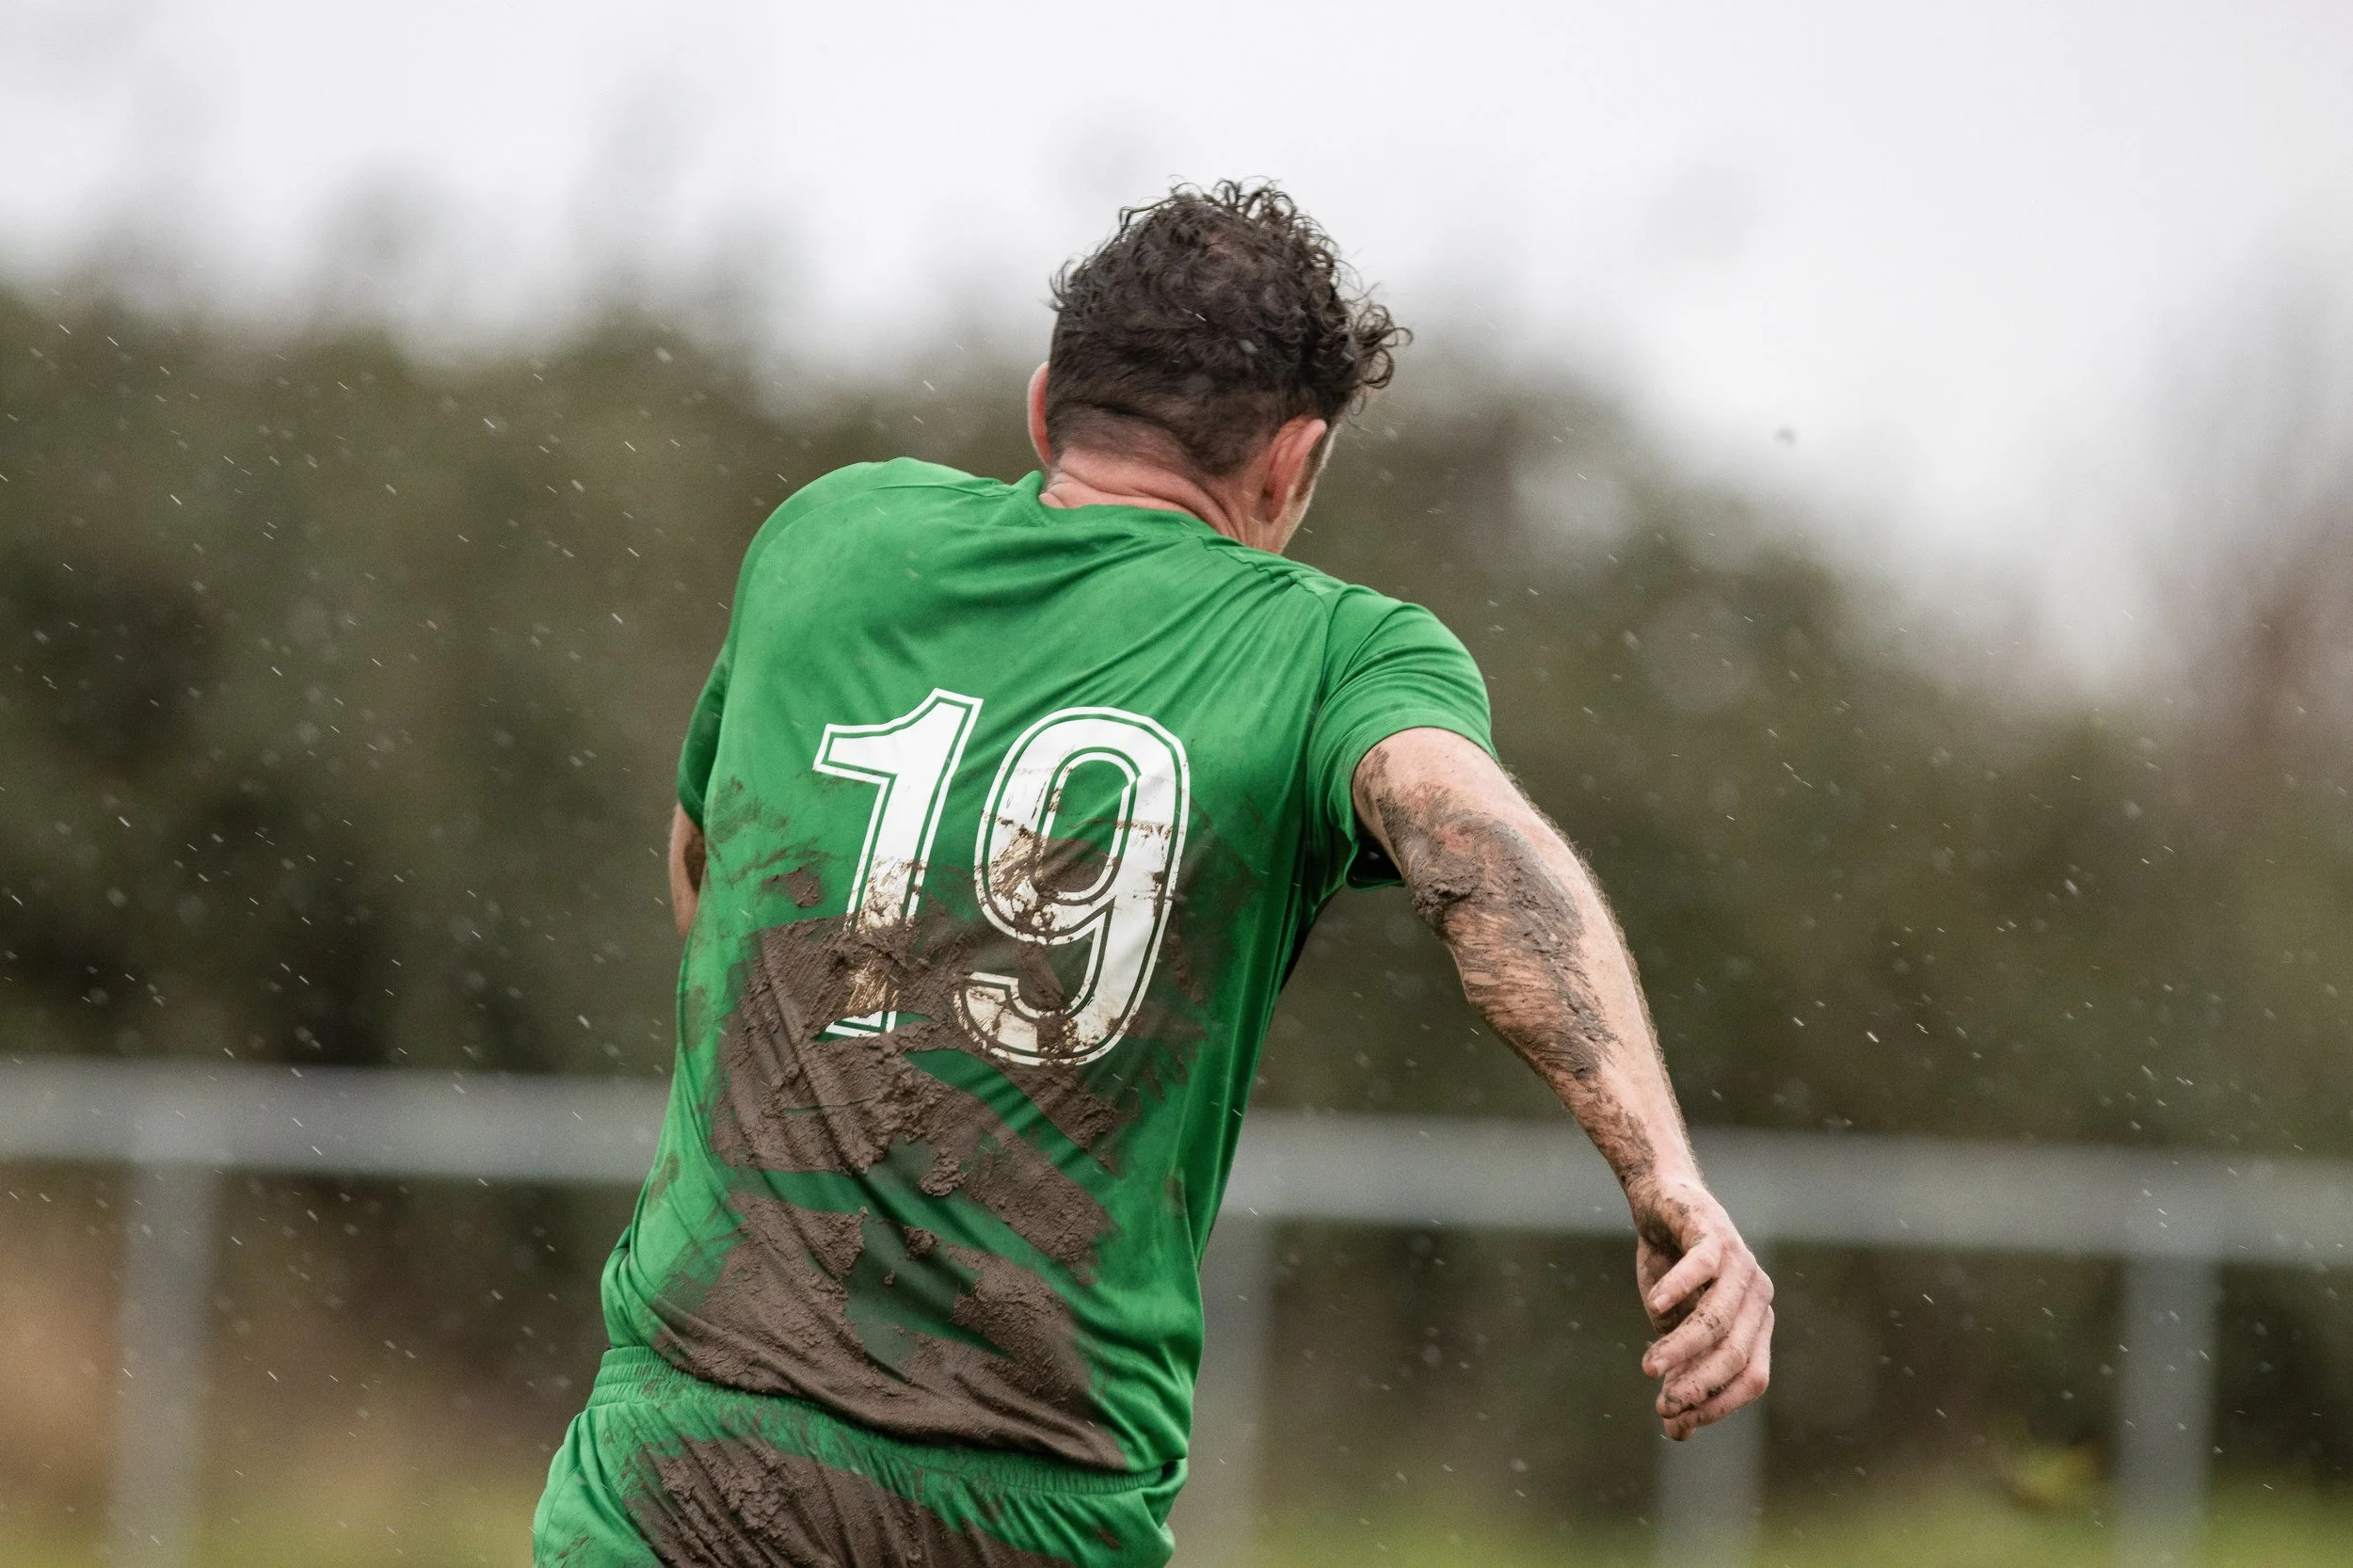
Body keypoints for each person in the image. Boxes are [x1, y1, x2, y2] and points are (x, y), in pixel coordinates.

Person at [533, 181, 1771, 1567]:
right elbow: (1477, 855)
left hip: (692, 1461)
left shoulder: (828, 538)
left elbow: (706, 860)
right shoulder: (1337, 652)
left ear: (1045, 399)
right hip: (1029, 1505)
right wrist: (1665, 1174)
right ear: (1293, 460)